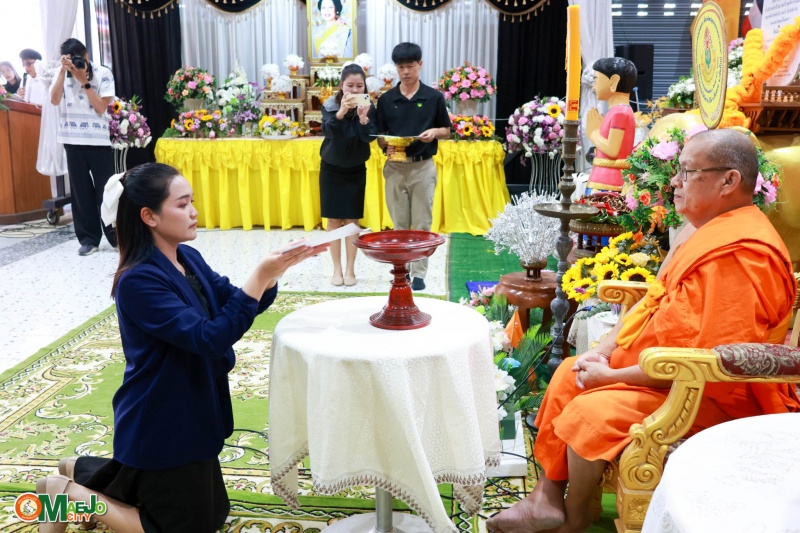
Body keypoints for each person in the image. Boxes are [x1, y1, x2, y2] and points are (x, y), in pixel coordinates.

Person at [486, 128, 798, 533]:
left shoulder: (741, 254)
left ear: (728, 181)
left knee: (589, 411)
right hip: (661, 370)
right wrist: (603, 351)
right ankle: (545, 498)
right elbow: (654, 299)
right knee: (568, 373)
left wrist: (612, 376)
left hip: (708, 392)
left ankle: (576, 516)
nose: (674, 182)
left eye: (686, 172)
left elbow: (708, 362)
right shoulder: (707, 230)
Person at [35, 162, 328, 533]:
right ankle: (65, 492)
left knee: (212, 513)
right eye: (182, 204)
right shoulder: (138, 281)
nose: (194, 212)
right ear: (149, 216)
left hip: (191, 409)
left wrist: (271, 275)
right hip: (161, 419)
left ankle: (80, 470)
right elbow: (210, 339)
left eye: (192, 202)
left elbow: (234, 303)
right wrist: (260, 274)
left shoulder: (186, 257)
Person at [375, 42, 451, 291]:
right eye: (400, 67)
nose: (405, 72)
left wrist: (434, 132)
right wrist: (386, 145)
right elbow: (380, 135)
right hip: (395, 167)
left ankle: (419, 273)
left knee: (421, 223)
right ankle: (402, 271)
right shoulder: (386, 100)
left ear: (420, 64)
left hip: (423, 168)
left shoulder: (433, 97)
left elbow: (446, 130)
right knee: (399, 224)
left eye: (410, 66)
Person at [50, 38, 117, 256]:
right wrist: (63, 71)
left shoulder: (103, 73)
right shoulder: (61, 73)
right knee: (81, 193)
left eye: (80, 57)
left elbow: (101, 108)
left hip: (98, 141)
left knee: (107, 191)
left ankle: (117, 236)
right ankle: (89, 239)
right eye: (72, 59)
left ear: (86, 54)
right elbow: (54, 100)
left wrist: (84, 81)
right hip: (72, 141)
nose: (78, 61)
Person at [320, 63, 376, 286]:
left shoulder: (368, 105)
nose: (354, 90)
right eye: (350, 85)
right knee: (333, 220)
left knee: (352, 220)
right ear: (342, 85)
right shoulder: (330, 104)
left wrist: (363, 119)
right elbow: (329, 131)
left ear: (364, 87)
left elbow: (369, 137)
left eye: (359, 86)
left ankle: (351, 269)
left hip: (355, 169)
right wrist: (342, 112)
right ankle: (337, 269)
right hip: (331, 169)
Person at [585, 57, 637, 193]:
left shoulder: (620, 112)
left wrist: (593, 133)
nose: (594, 86)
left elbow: (613, 150)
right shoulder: (617, 111)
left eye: (596, 80)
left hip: (609, 182)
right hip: (603, 178)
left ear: (613, 81)